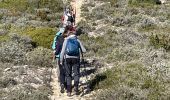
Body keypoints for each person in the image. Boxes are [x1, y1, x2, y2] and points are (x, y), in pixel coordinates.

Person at [60, 31, 86, 96]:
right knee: (76, 74)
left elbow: (62, 51)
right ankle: (76, 88)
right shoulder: (77, 40)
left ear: (68, 35)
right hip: (76, 59)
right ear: (75, 35)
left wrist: (61, 60)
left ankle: (69, 91)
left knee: (68, 75)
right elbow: (84, 50)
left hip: (67, 59)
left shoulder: (66, 40)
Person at [52, 27, 69, 93]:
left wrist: (55, 53)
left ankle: (60, 80)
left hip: (58, 55)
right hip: (67, 56)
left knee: (59, 68)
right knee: (67, 69)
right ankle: (66, 83)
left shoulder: (56, 37)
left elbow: (54, 47)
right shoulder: (67, 36)